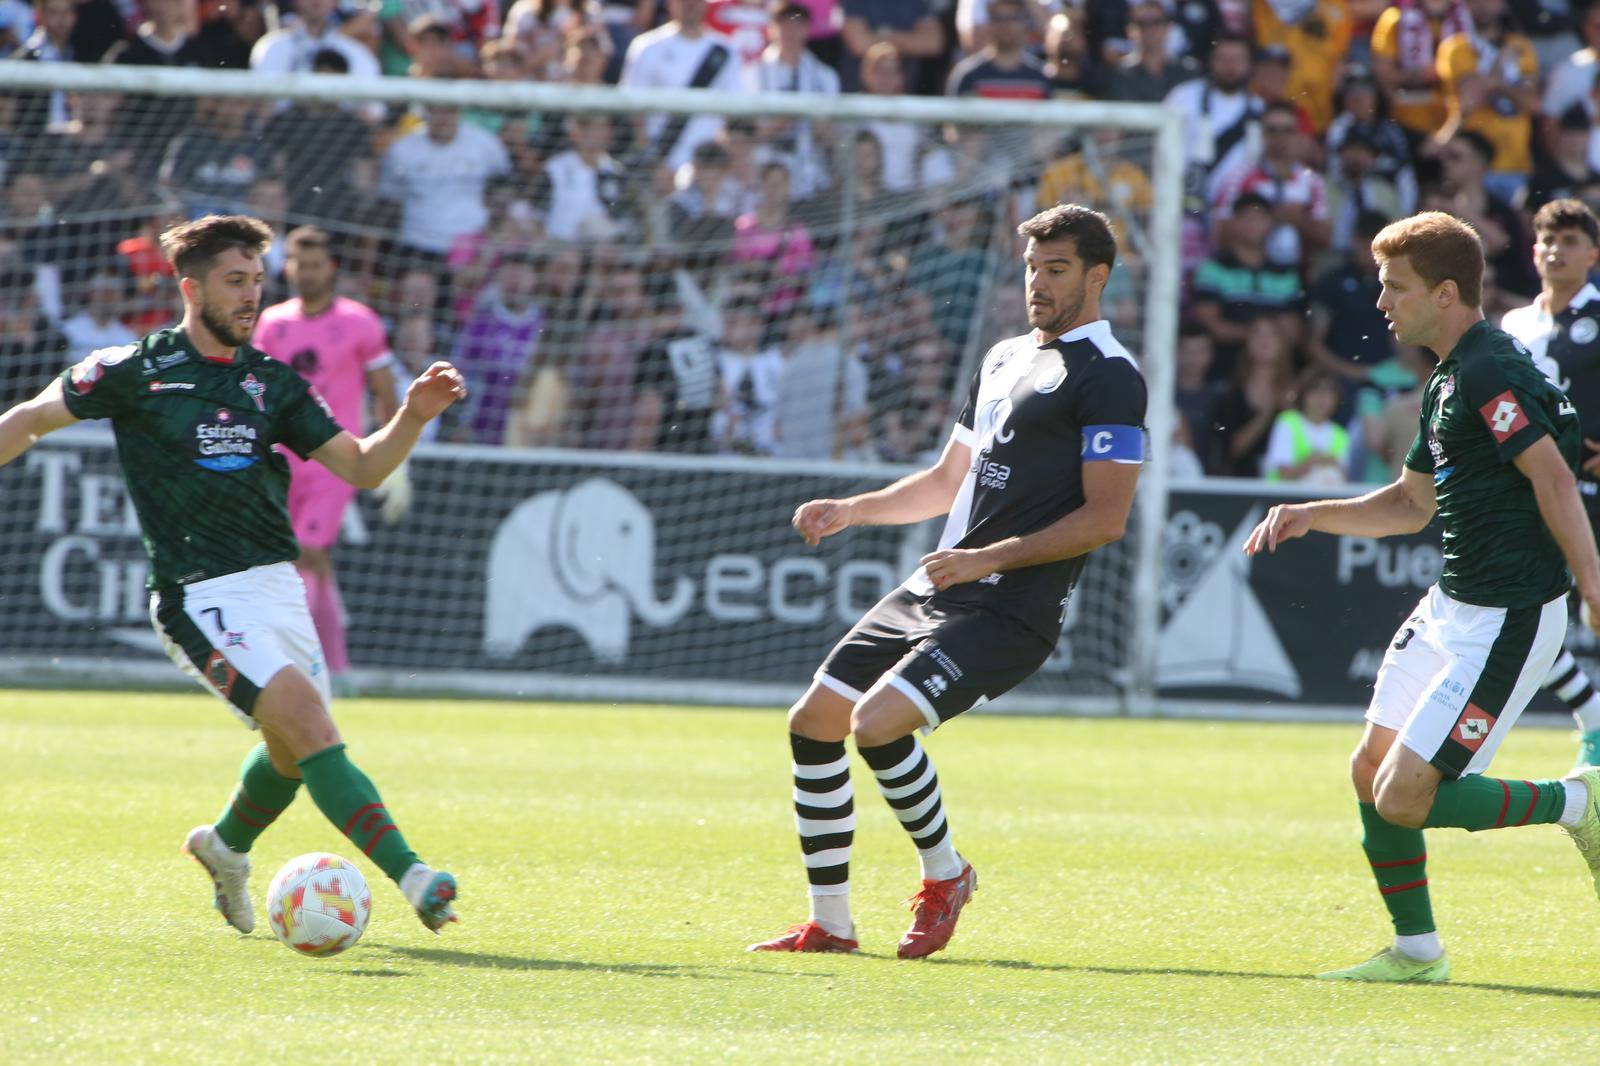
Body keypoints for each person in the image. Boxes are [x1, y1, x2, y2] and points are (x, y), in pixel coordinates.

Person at [0, 214, 464, 935]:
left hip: (277, 587)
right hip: (198, 595)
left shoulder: (272, 383)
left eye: (256, 281)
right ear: (191, 288)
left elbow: (365, 468)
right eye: (235, 281)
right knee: (310, 728)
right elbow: (28, 420)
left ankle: (224, 847)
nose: (252, 296)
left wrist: (411, 413)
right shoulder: (134, 369)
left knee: (287, 752)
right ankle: (416, 877)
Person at [749, 204, 1146, 957]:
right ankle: (831, 923)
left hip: (1011, 609)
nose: (1038, 282)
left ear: (1097, 277)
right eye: (1032, 267)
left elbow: (1106, 518)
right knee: (814, 723)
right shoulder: (1003, 358)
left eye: (1056, 269)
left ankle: (946, 874)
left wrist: (984, 560)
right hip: (936, 588)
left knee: (877, 724)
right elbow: (945, 481)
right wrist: (851, 510)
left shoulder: (1112, 377)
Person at [1244, 211, 1600, 983]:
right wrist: (1313, 515)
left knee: (1404, 796)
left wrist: (1593, 583)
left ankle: (1580, 806)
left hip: (1509, 617)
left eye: (1394, 287)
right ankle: (1417, 953)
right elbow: (1410, 506)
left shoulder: (1487, 369)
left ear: (1446, 293)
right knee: (1368, 767)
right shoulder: (1450, 374)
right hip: (1452, 604)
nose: (1380, 304)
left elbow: (1553, 478)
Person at [253, 226, 402, 698]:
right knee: (295, 558)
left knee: (309, 551)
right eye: (300, 263)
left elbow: (383, 389)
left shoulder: (360, 322)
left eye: (316, 264)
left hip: (334, 456)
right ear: (288, 268)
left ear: (330, 269)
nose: (308, 272)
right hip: (281, 456)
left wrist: (395, 449)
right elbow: (255, 389)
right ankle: (335, 663)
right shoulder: (272, 324)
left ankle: (306, 667)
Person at [1499, 199, 1600, 770]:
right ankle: (1593, 712)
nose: (1555, 249)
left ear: (1593, 253)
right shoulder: (1514, 327)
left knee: (1595, 609)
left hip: (1592, 490)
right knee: (1518, 608)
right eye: (1546, 239)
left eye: (1569, 239)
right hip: (1532, 490)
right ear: (1534, 250)